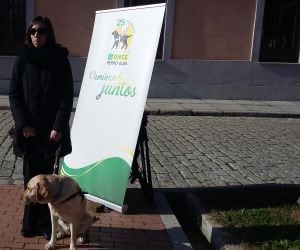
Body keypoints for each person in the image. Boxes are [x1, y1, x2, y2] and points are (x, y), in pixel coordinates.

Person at [9, 16, 73, 240]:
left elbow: (66, 97)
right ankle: (29, 223)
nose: (36, 35)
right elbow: (14, 94)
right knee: (30, 178)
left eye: (41, 31)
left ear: (49, 33)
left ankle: (47, 225)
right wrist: (22, 124)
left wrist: (58, 127)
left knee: (48, 181)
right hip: (29, 132)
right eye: (32, 31)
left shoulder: (59, 59)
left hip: (50, 133)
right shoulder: (23, 59)